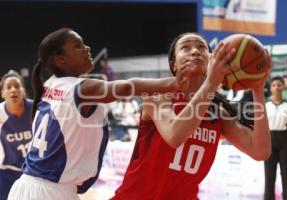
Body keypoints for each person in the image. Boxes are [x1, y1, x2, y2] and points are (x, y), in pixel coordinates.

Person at [7, 27, 176, 200]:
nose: (87, 48)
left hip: (28, 186)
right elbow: (127, 87)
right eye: (78, 46)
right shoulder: (81, 89)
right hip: (50, 191)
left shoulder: (51, 84)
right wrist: (177, 83)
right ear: (60, 60)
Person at [112, 32, 271, 200]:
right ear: (174, 65)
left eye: (202, 47)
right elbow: (175, 135)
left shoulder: (217, 112)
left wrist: (258, 89)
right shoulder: (158, 95)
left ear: (211, 60)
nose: (195, 51)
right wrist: (211, 83)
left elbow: (260, 151)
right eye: (185, 48)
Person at [264, 76, 287, 200]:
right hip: (269, 142)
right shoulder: (265, 105)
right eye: (274, 85)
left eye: (279, 85)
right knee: (269, 177)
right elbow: (260, 127)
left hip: (286, 142)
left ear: (283, 87)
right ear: (270, 88)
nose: (277, 87)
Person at [0, 70, 33, 200]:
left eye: (17, 86)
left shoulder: (36, 109)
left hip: (34, 172)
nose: (13, 90)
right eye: (8, 87)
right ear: (2, 93)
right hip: (6, 171)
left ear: (23, 90)